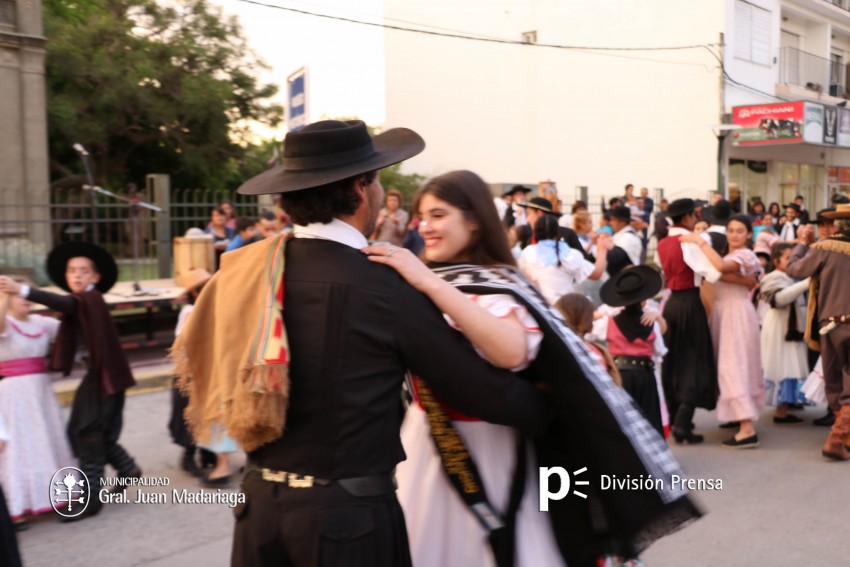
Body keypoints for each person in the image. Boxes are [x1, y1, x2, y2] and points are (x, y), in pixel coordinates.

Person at [172, 120, 549, 567]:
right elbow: (472, 386)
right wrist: (557, 407)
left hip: (259, 511)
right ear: (360, 188)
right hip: (346, 525)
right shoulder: (383, 285)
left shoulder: (247, 269)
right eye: (378, 178)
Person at [364, 170, 700, 567]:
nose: (426, 226)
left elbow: (509, 351)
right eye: (422, 216)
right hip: (427, 443)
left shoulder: (499, 283)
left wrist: (430, 285)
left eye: (438, 215)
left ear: (474, 220)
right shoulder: (422, 277)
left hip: (492, 449)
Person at [0, 243, 139, 521]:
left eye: (84, 271)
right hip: (99, 375)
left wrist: (22, 290)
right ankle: (127, 468)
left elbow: (66, 304)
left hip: (103, 376)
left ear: (95, 277)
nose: (77, 276)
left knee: (86, 433)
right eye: (72, 271)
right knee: (86, 431)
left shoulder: (89, 299)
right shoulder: (82, 303)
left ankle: (91, 500)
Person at [681, 214, 765, 448]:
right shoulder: (730, 254)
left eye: (740, 231)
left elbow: (719, 268)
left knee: (733, 367)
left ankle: (747, 429)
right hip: (726, 313)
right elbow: (720, 272)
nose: (734, 235)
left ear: (749, 234)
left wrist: (700, 242)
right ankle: (739, 417)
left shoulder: (745, 255)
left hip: (736, 314)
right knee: (731, 365)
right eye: (731, 230)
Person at [0, 277, 74, 528]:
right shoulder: (5, 323)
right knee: (18, 448)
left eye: (26, 293)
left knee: (47, 440)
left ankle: (59, 495)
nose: (25, 299)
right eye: (18, 294)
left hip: (41, 391)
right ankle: (15, 506)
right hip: (14, 396)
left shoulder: (43, 323)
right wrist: (3, 296)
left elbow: (71, 327)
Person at [785, 204, 850, 460]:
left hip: (831, 324)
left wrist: (802, 245)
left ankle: (840, 437)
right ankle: (838, 439)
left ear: (837, 224)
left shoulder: (825, 248)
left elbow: (794, 270)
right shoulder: (826, 247)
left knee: (834, 382)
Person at [656, 199, 721, 444]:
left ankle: (676, 419)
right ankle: (682, 422)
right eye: (695, 214)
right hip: (689, 303)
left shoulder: (663, 243)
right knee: (694, 361)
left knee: (673, 360)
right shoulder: (688, 241)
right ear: (687, 217)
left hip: (672, 304)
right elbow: (713, 273)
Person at [596, 266, 667, 437]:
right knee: (648, 419)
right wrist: (657, 317)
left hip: (619, 375)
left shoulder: (609, 322)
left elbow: (589, 331)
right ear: (644, 300)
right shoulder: (651, 323)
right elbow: (660, 350)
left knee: (624, 421)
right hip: (645, 376)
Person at [169, 269, 216, 477]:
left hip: (205, 369)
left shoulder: (205, 308)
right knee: (191, 413)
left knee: (208, 412)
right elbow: (185, 343)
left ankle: (208, 454)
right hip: (191, 372)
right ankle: (189, 456)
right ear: (197, 292)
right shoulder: (190, 312)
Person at [759, 243, 811, 424]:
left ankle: (786, 406)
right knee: (783, 365)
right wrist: (805, 284)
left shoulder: (791, 277)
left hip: (790, 328)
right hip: (779, 328)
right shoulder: (773, 277)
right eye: (787, 258)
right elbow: (779, 299)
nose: (791, 262)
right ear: (776, 261)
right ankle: (781, 412)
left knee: (791, 364)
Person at [518, 214, 610, 304]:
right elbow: (596, 274)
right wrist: (602, 249)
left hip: (538, 309)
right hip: (564, 310)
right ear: (557, 231)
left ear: (535, 232)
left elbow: (521, 277)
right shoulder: (570, 254)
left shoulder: (527, 253)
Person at [514, 197, 589, 259]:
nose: (528, 219)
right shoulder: (530, 239)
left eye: (529, 214)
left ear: (539, 213)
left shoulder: (567, 234)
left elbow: (582, 260)